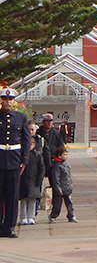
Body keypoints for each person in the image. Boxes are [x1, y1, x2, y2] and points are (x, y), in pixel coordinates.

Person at [0, 88, 30, 238]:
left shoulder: (21, 117)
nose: (8, 102)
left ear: (14, 101)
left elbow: (25, 139)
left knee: (12, 196)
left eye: (10, 99)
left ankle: (9, 227)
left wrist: (24, 159)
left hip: (14, 160)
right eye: (5, 99)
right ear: (1, 100)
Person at [19, 129, 44, 226]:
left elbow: (42, 168)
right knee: (24, 200)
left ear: (34, 145)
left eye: (31, 144)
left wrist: (39, 179)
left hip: (34, 180)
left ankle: (31, 217)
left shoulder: (37, 155)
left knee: (32, 200)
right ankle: (23, 217)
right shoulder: (21, 155)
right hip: (23, 180)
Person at [47, 146, 77, 223]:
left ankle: (71, 215)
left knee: (69, 203)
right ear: (59, 156)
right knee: (57, 204)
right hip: (59, 188)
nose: (66, 156)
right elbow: (55, 179)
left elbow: (68, 177)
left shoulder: (65, 165)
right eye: (65, 155)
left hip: (67, 187)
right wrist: (57, 188)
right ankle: (53, 216)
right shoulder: (56, 166)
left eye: (67, 155)